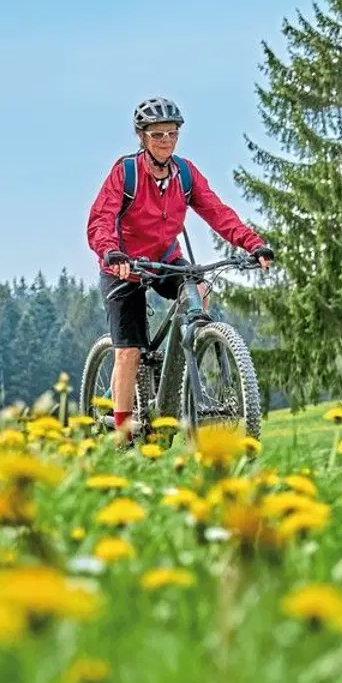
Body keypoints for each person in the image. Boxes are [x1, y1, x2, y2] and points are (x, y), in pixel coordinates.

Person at [86, 97, 273, 440]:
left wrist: (252, 243)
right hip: (125, 266)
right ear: (141, 137)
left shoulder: (184, 174)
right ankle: (122, 433)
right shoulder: (125, 173)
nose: (166, 141)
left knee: (197, 289)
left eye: (172, 134)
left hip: (165, 258)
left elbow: (217, 211)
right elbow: (101, 219)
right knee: (128, 351)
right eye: (158, 135)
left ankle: (193, 349)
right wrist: (111, 252)